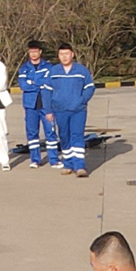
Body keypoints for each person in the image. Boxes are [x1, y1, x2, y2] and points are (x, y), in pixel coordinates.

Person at [44, 42, 97, 176]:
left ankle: (79, 166)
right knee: (64, 136)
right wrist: (48, 110)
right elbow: (46, 91)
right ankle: (68, 164)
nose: (64, 56)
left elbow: (90, 87)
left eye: (67, 54)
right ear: (58, 56)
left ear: (72, 54)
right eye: (62, 54)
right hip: (60, 110)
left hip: (78, 110)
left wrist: (81, 100)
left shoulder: (81, 70)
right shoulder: (53, 71)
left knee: (77, 135)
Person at [17, 40, 55, 168]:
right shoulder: (24, 68)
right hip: (30, 105)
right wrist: (39, 84)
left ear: (40, 52)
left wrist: (32, 82)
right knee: (32, 133)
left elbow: (49, 83)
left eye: (36, 51)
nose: (33, 54)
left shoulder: (48, 67)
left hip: (46, 104)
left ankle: (54, 159)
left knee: (50, 132)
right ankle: (35, 160)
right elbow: (23, 86)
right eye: (31, 52)